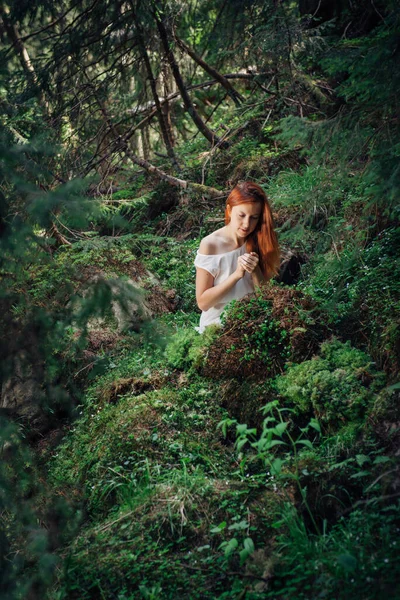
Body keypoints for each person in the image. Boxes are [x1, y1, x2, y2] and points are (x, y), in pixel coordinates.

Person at [194, 181, 280, 333]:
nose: (246, 224)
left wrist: (255, 271)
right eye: (241, 215)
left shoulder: (258, 239)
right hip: (218, 326)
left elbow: (266, 296)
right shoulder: (210, 244)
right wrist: (236, 275)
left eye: (254, 217)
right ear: (229, 211)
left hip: (254, 318)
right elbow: (203, 303)